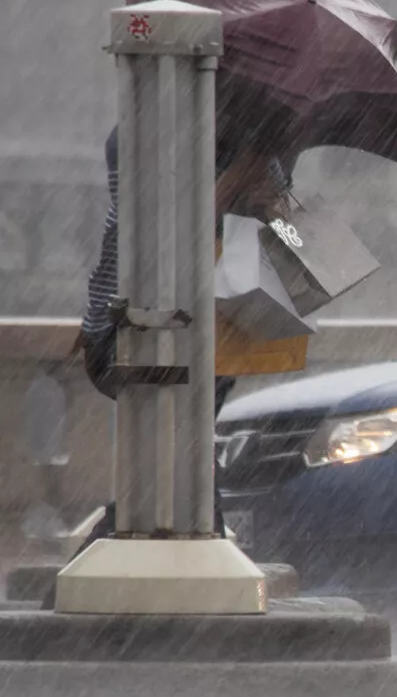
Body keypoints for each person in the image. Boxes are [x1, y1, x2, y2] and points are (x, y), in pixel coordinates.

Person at [45, 124, 295, 606]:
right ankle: (202, 589)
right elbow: (159, 233)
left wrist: (268, 194)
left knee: (181, 465)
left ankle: (141, 578)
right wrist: (236, 179)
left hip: (211, 330)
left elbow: (287, 230)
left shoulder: (239, 135)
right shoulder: (158, 118)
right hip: (147, 326)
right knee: (182, 465)